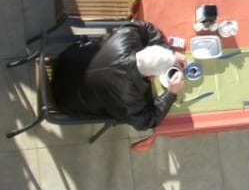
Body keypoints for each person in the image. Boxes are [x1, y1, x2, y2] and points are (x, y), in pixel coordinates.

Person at [51, 21, 185, 130]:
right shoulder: (128, 98)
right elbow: (146, 121)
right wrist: (171, 93)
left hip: (66, 60)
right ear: (151, 75)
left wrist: (170, 54)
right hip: (65, 100)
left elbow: (145, 27)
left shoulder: (126, 38)